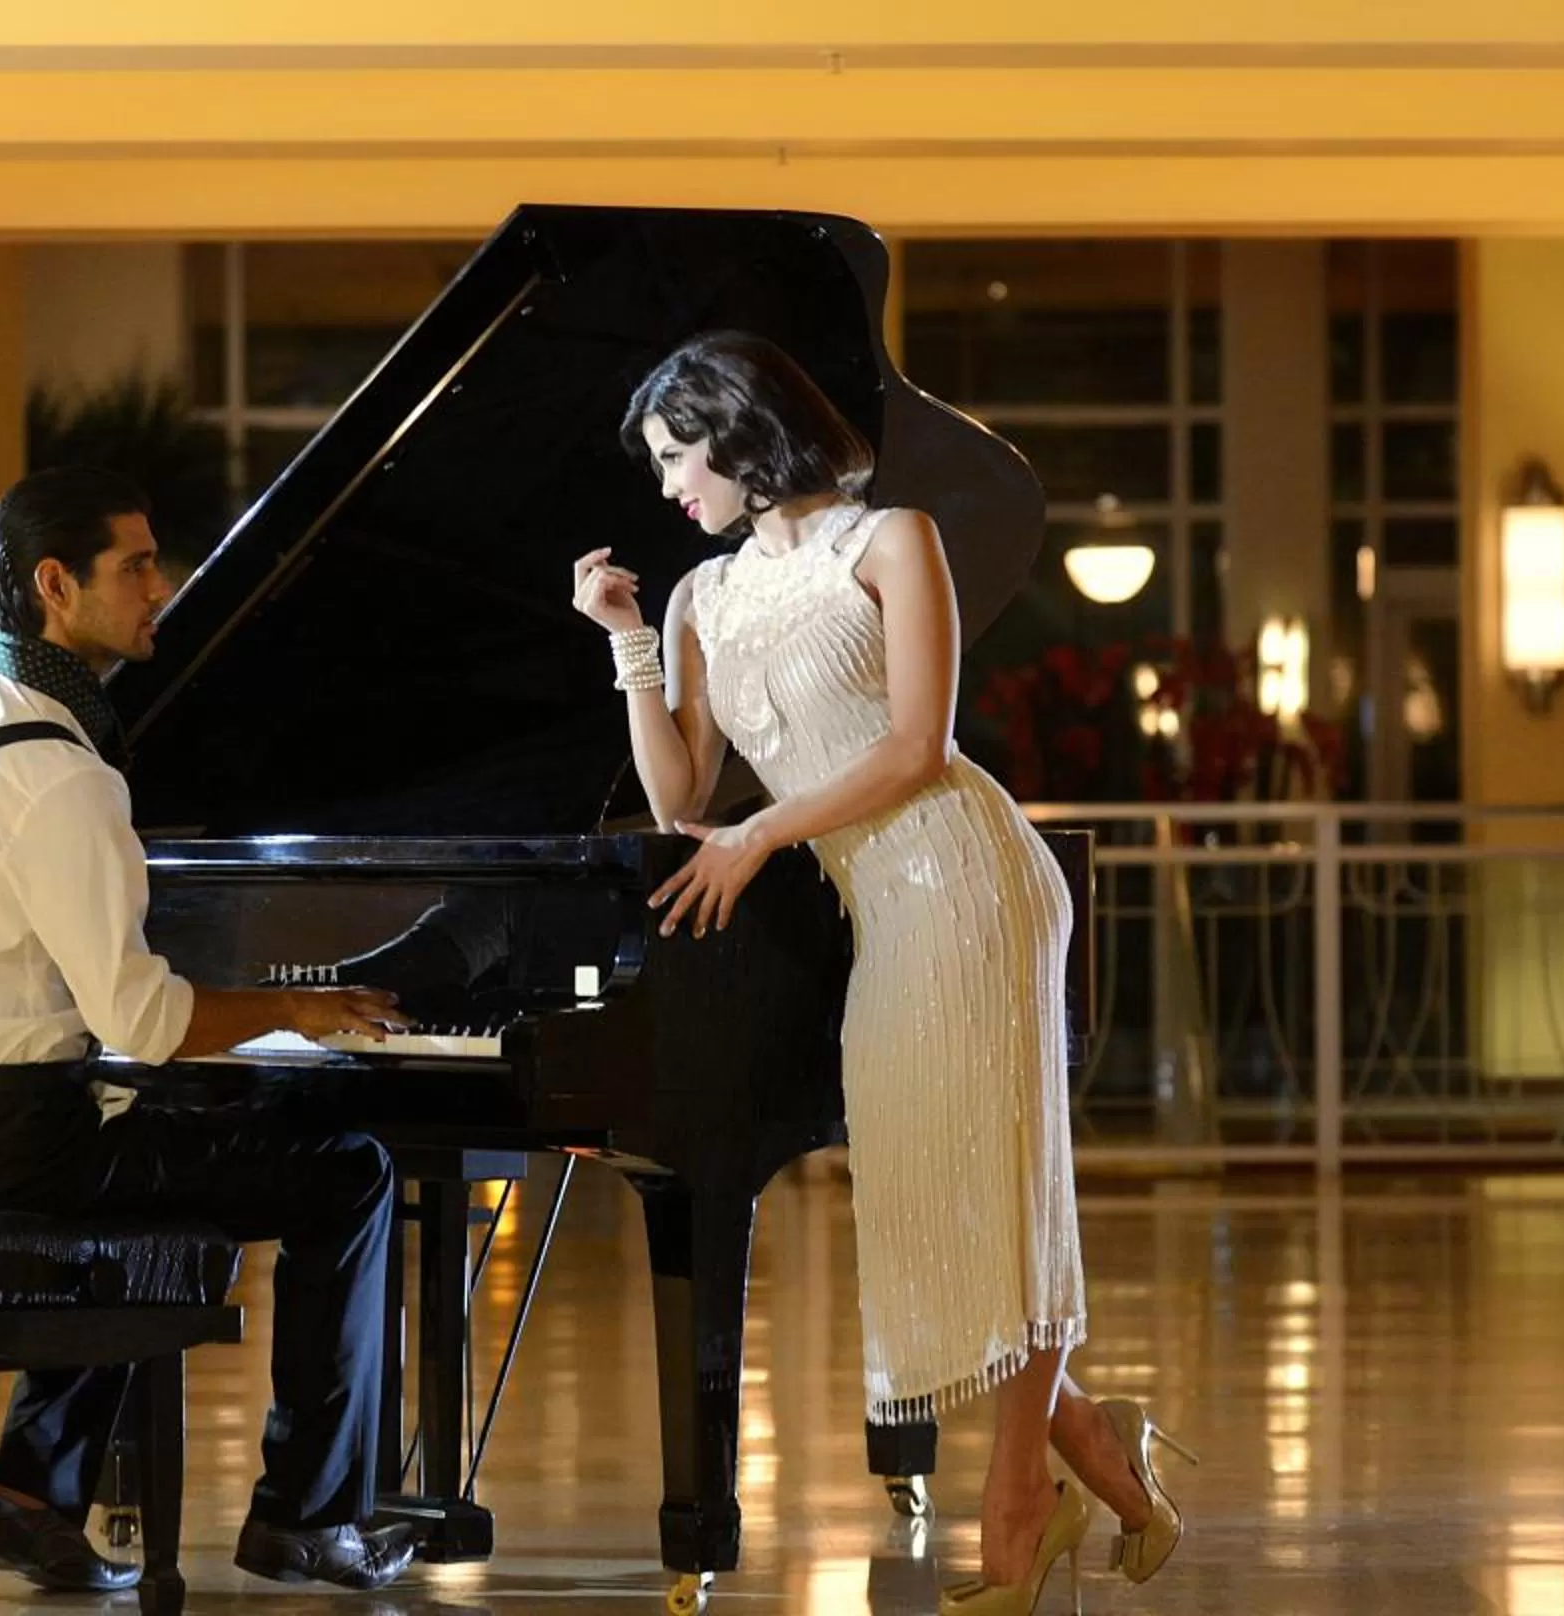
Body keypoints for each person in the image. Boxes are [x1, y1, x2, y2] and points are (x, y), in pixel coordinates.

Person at [572, 334, 1196, 1612]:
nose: (671, 489)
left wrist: (757, 833)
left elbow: (918, 745)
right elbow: (681, 789)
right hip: (877, 901)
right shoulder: (699, 597)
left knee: (998, 1184)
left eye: (678, 458)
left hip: (972, 877)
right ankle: (1096, 1440)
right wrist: (629, 639)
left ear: (740, 434)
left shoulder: (891, 541)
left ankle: (1019, 1502)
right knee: (932, 1195)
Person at [0, 466, 420, 1594]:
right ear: (56, 584)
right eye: (137, 564)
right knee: (347, 1172)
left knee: (150, 1158)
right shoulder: (63, 772)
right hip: (19, 1147)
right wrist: (296, 1006)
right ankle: (310, 1515)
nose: (165, 584)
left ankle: (29, 1488)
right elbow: (145, 1018)